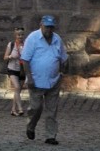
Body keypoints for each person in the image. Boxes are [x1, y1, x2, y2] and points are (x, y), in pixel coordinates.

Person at [20, 15, 68, 145]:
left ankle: (50, 136)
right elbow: (25, 59)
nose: (49, 30)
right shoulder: (33, 38)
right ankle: (31, 126)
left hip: (54, 81)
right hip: (36, 81)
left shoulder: (57, 39)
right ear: (41, 25)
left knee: (52, 110)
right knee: (36, 108)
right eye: (47, 27)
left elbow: (64, 58)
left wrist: (62, 72)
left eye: (51, 27)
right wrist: (29, 78)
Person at [3, 25, 26, 115]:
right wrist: (11, 56)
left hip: (22, 69)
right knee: (17, 87)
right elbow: (5, 57)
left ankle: (13, 109)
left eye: (22, 35)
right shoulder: (11, 44)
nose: (20, 36)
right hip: (12, 69)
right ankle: (20, 109)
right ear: (15, 35)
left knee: (18, 91)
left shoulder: (26, 45)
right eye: (18, 35)